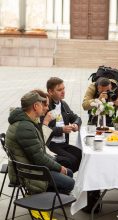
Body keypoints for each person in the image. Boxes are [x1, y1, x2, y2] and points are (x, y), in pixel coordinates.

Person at [6, 91, 75, 219]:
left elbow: (39, 151)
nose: (46, 107)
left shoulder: (27, 122)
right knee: (70, 182)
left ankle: (49, 199)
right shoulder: (25, 127)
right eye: (43, 105)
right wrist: (59, 168)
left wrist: (58, 165)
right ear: (35, 106)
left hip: (31, 166)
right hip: (31, 172)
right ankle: (40, 201)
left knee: (69, 172)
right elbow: (38, 157)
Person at [46, 77, 82, 173]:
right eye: (59, 90)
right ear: (50, 91)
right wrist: (61, 130)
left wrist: (75, 125)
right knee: (72, 160)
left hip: (63, 143)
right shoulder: (46, 106)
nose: (63, 92)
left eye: (63, 89)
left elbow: (77, 118)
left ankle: (65, 177)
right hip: (51, 144)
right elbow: (43, 130)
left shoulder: (63, 104)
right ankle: (62, 179)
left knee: (81, 154)